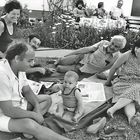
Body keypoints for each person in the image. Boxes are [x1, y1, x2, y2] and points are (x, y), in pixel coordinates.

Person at [0, 40, 70, 140]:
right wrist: (34, 115)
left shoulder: (18, 68)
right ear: (17, 59)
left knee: (46, 99)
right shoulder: (2, 74)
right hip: (4, 114)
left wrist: (37, 107)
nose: (32, 64)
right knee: (30, 125)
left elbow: (27, 90)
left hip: (18, 105)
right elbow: (8, 111)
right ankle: (30, 126)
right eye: (29, 61)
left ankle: (26, 126)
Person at [55, 35, 126, 80]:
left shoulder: (118, 57)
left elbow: (117, 71)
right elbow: (86, 49)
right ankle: (61, 60)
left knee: (59, 68)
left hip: (84, 70)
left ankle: (69, 66)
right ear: (110, 41)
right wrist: (68, 55)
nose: (112, 47)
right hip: (81, 58)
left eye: (116, 46)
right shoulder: (103, 43)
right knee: (61, 60)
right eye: (112, 43)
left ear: (120, 48)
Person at [105, 38, 140, 124]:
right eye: (137, 48)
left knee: (131, 99)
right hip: (122, 82)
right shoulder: (128, 55)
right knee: (136, 89)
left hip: (136, 85)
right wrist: (108, 81)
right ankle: (113, 109)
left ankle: (131, 118)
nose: (137, 50)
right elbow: (114, 68)